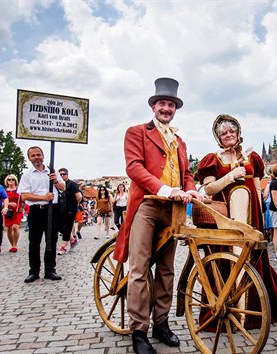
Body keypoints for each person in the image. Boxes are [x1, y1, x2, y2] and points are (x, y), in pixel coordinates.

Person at [112, 77, 203, 354]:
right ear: (153, 106)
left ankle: (160, 323)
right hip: (148, 206)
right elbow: (134, 167)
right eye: (162, 103)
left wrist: (192, 190)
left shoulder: (180, 141)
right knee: (140, 269)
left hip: (173, 209)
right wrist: (164, 188)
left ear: (175, 108)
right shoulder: (136, 132)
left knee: (166, 269)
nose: (166, 108)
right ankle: (139, 331)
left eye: (171, 104)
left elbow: (186, 174)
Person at [197, 114, 277, 327]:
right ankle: (228, 303)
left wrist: (262, 212)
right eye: (224, 133)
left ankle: (252, 308)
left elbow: (256, 185)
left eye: (231, 132)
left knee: (251, 254)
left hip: (252, 215)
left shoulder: (252, 157)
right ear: (218, 137)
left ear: (238, 133)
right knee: (228, 256)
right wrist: (230, 176)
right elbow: (208, 189)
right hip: (226, 217)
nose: (228, 135)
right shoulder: (212, 159)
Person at [18, 146, 65, 283]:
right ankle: (34, 271)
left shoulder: (51, 172)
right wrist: (43, 198)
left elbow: (63, 188)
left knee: (51, 240)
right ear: (29, 158)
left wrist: (55, 180)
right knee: (34, 242)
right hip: (37, 210)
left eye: (38, 155)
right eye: (33, 156)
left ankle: (50, 270)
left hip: (53, 209)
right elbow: (24, 195)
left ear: (43, 156)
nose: (36, 157)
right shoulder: (27, 175)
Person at [57, 168, 82, 255]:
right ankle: (72, 239)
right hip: (60, 209)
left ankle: (63, 247)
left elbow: (79, 196)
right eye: (60, 174)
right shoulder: (58, 184)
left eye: (64, 174)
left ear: (67, 174)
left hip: (70, 209)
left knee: (67, 227)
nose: (62, 176)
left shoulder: (72, 184)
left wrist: (76, 204)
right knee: (59, 226)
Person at [3, 174, 23, 252]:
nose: (11, 181)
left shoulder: (19, 190)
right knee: (9, 228)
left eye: (13, 179)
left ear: (15, 181)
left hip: (17, 211)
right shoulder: (4, 191)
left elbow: (23, 200)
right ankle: (12, 244)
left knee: (15, 227)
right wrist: (9, 204)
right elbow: (2, 201)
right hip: (7, 211)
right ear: (6, 181)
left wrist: (23, 209)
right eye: (9, 179)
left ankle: (15, 245)